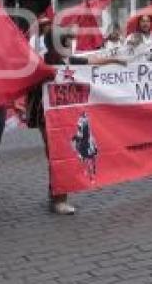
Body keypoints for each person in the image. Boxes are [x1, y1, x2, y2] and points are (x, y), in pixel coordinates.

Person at [25, 27, 125, 214]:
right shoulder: (42, 63)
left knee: (63, 154)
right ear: (57, 44)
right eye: (67, 42)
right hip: (46, 117)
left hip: (64, 115)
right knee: (58, 155)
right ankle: (58, 199)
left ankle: (56, 193)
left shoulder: (68, 60)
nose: (71, 46)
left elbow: (91, 61)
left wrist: (114, 60)